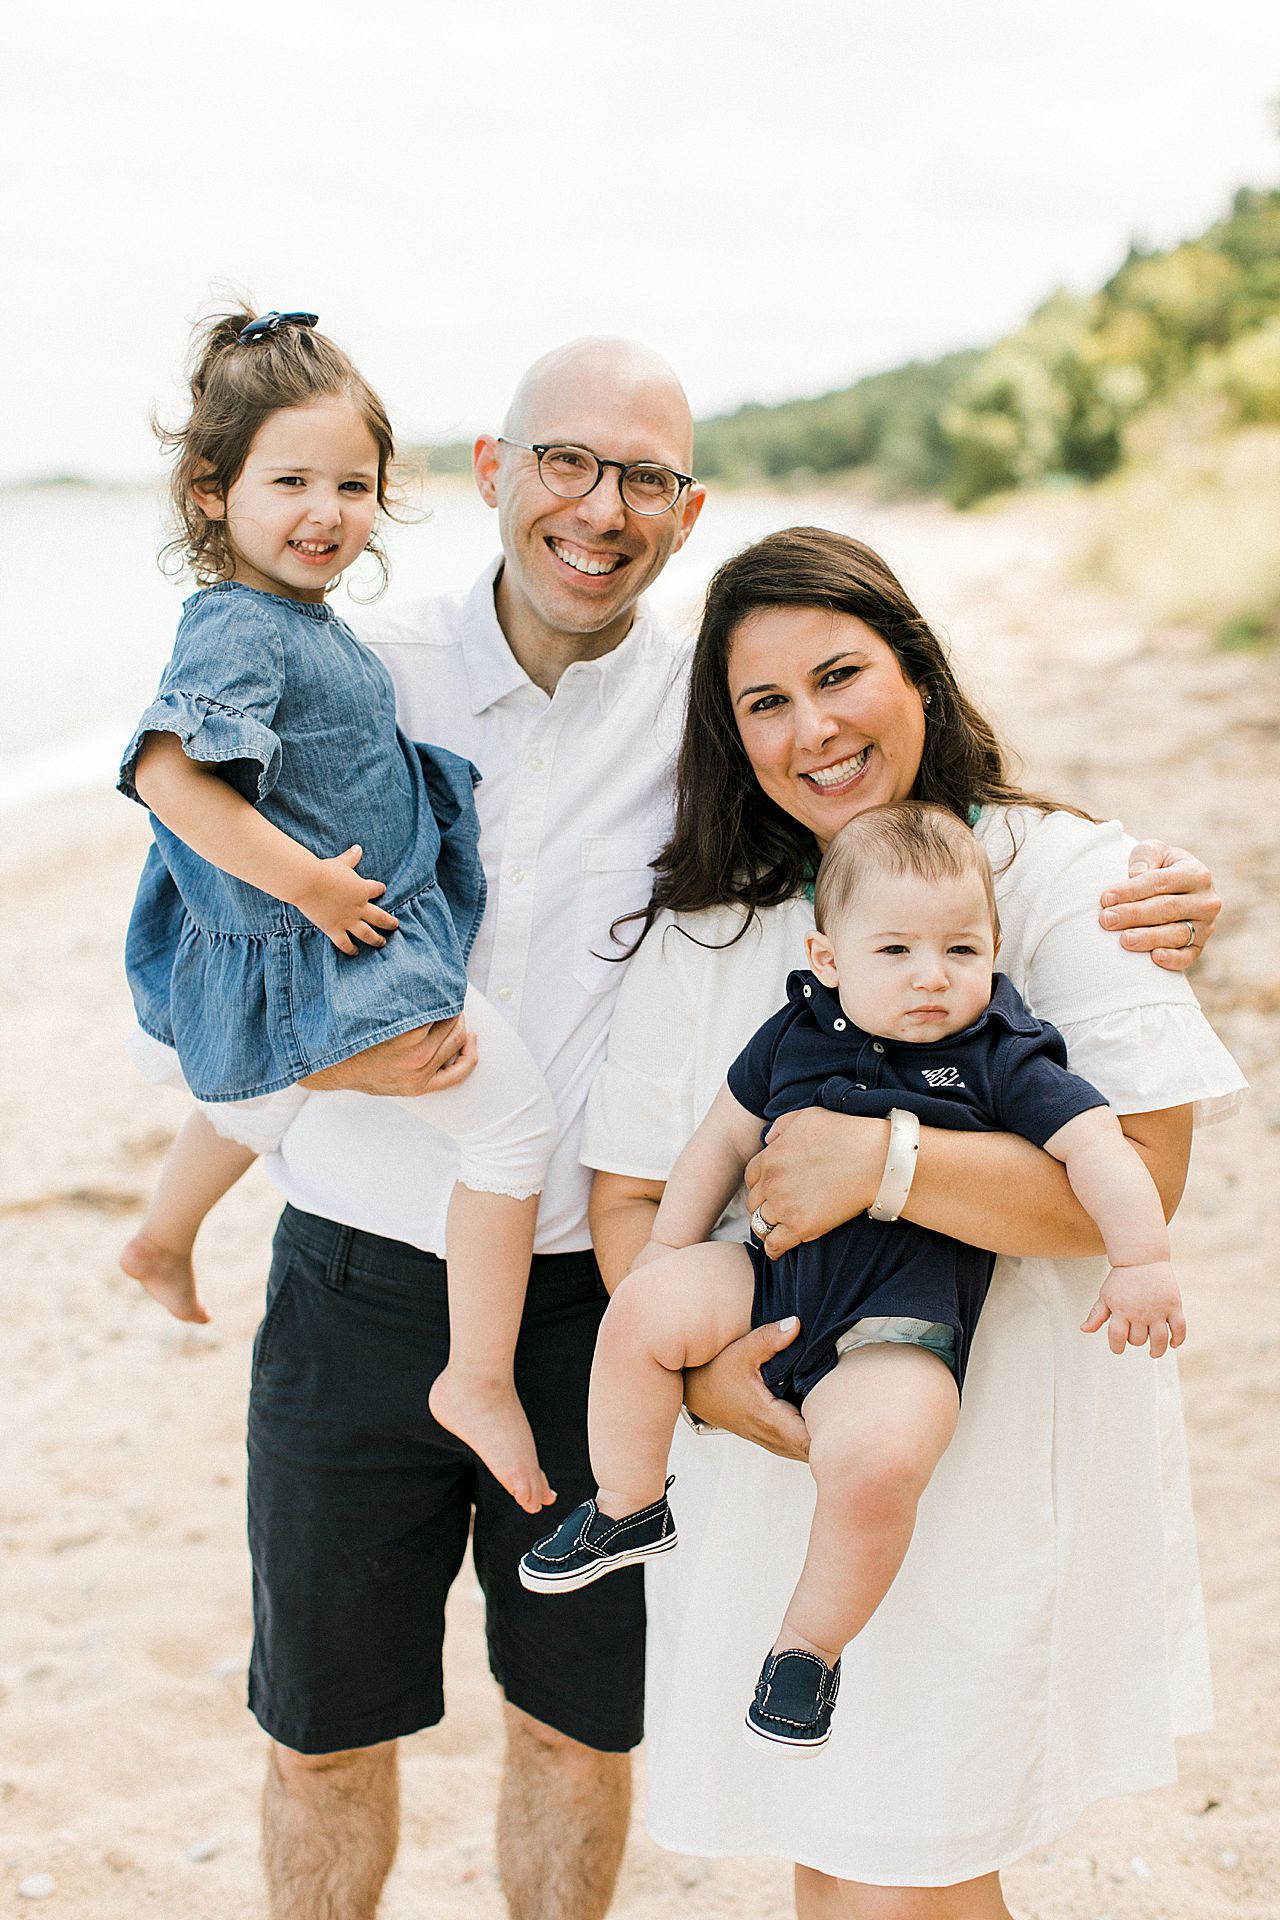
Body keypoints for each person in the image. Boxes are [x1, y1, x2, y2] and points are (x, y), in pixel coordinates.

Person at [138, 337, 1222, 1920]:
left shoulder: (705, 715)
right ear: (492, 475)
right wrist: (317, 1061)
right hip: (357, 1276)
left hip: (600, 1294)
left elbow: (914, 837)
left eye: (644, 477)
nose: (601, 508)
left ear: (686, 506)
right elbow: (190, 914)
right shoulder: (358, 669)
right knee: (320, 1732)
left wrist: (1164, 892)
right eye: (565, 463)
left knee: (580, 1734)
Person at [582, 527, 1244, 1916]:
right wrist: (704, 1379)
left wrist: (878, 1162)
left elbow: (1144, 1179)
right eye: (765, 703)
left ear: (919, 678)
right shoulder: (715, 927)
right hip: (770, 1478)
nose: (811, 727)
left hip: (982, 1455)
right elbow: (638, 1193)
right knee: (841, 1870)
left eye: (840, 675)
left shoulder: (1061, 876)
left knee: (915, 1875)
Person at [523, 801, 1184, 1756]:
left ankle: (807, 1650)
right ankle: (628, 1505)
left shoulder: (1002, 1053)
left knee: (877, 1469)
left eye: (962, 950)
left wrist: (1143, 1259)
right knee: (639, 1310)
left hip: (899, 1325)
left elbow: (1101, 1153)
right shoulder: (796, 1031)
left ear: (994, 950)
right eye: (896, 952)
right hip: (767, 1276)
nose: (932, 977)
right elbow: (719, 1139)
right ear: (831, 959)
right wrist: (668, 1249)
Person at [116, 308, 557, 1512]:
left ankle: (161, 1235)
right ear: (212, 493)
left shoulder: (295, 622)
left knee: (253, 1099)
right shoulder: (234, 623)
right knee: (513, 1127)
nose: (327, 511)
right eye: (291, 482)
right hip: (328, 943)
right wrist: (306, 884)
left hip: (328, 933)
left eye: (352, 484)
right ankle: (475, 1375)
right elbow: (166, 775)